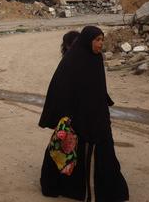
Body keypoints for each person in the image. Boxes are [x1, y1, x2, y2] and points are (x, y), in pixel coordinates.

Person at [39, 26, 129, 201]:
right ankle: (73, 188)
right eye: (97, 40)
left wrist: (104, 102)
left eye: (102, 40)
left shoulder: (96, 59)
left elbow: (98, 86)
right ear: (88, 41)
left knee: (104, 154)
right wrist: (66, 115)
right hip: (77, 119)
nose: (100, 44)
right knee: (70, 152)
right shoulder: (72, 61)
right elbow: (60, 89)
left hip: (98, 117)